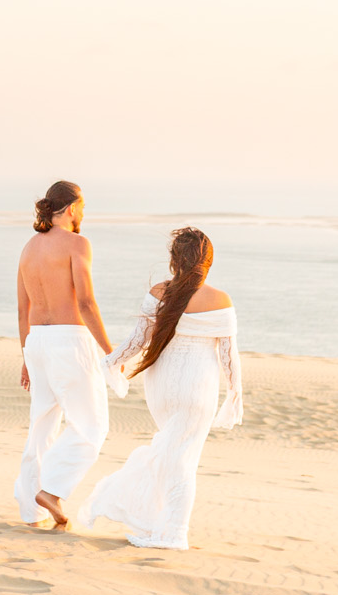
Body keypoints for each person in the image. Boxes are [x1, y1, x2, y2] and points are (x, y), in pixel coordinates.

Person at [80, 226, 242, 550]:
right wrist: (234, 393)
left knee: (172, 456)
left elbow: (137, 342)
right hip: (197, 387)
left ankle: (159, 526)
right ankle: (175, 533)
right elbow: (228, 356)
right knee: (183, 460)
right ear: (207, 262)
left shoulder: (159, 292)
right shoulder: (220, 299)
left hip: (162, 388)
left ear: (174, 260)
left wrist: (110, 362)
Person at [12, 179, 123, 530]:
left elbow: (22, 310)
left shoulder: (28, 248)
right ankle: (52, 490)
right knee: (92, 425)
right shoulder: (78, 244)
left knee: (42, 426)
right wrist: (110, 352)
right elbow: (86, 303)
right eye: (83, 207)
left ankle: (31, 511)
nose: (84, 214)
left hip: (37, 342)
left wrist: (26, 356)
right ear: (73, 208)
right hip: (70, 341)